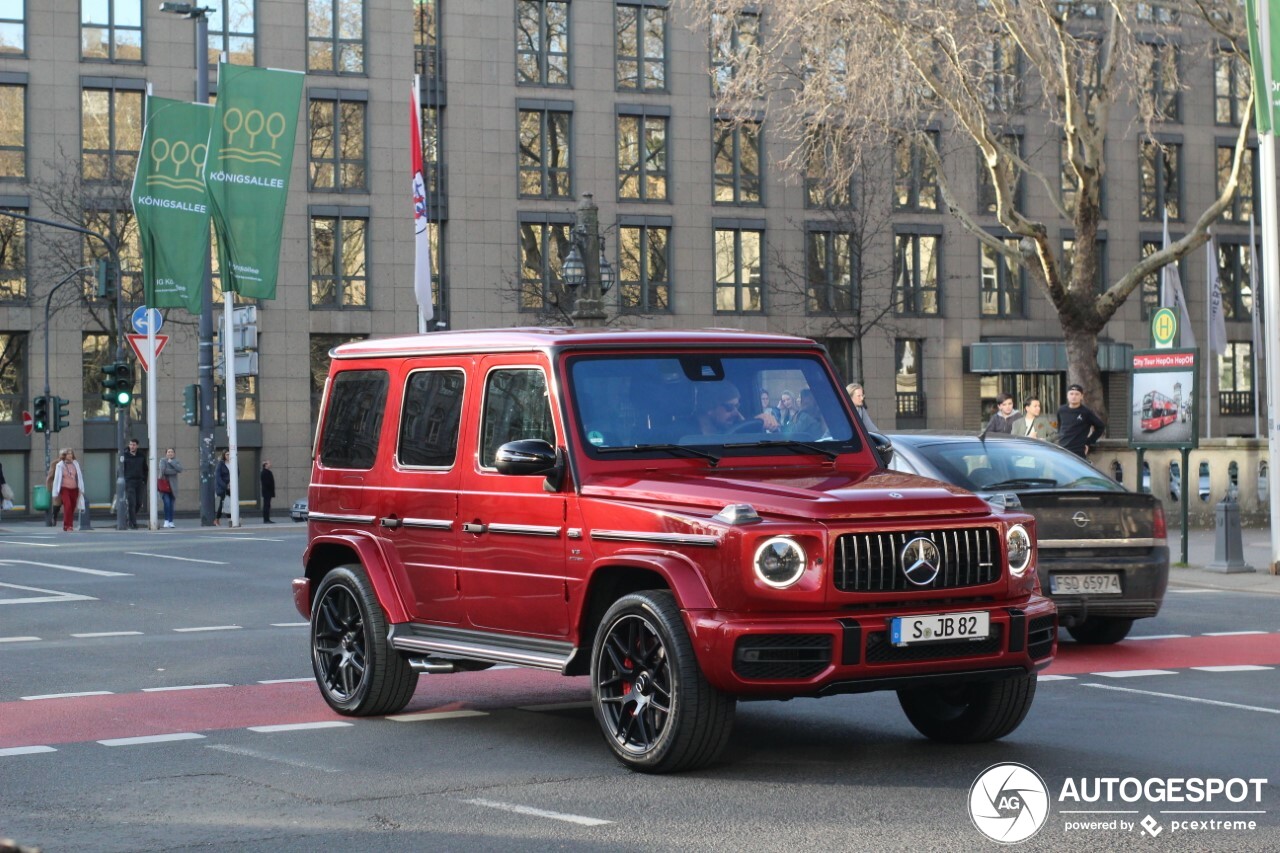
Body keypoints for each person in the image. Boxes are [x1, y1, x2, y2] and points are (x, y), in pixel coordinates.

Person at [1056, 383, 1106, 458]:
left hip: (1078, 451)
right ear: (1067, 395)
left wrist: (1089, 442)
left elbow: (1100, 426)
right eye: (1071, 394)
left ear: (1081, 396)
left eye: (1077, 394)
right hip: (1062, 449)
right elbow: (1060, 426)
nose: (1074, 396)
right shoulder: (1061, 410)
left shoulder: (1086, 412)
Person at [52, 448, 86, 532]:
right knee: (68, 506)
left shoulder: (76, 464)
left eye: (71, 453)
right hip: (64, 489)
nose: (70, 455)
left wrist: (81, 488)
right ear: (64, 456)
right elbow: (56, 479)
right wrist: (55, 493)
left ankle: (68, 525)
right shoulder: (60, 465)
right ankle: (68, 525)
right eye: (68, 454)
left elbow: (79, 477)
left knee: (73, 507)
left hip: (74, 489)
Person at [122, 438, 146, 529]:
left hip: (139, 481)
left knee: (139, 503)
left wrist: (144, 480)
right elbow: (120, 470)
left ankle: (130, 517)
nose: (132, 446)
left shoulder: (141, 455)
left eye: (134, 445)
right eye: (131, 444)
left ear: (137, 446)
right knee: (132, 502)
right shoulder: (124, 455)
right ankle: (133, 523)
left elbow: (145, 469)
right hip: (129, 482)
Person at [159, 448, 183, 528]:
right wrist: (173, 471)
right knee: (167, 503)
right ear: (166, 453)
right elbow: (163, 471)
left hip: (173, 487)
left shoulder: (176, 461)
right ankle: (166, 520)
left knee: (172, 505)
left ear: (174, 453)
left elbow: (179, 470)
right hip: (164, 485)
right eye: (168, 452)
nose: (170, 453)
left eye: (172, 452)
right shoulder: (162, 460)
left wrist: (171, 463)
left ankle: (171, 521)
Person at [214, 450, 231, 525]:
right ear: (224, 455)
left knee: (229, 503)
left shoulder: (233, 463)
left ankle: (230, 518)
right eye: (227, 454)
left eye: (230, 454)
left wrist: (233, 483)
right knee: (222, 503)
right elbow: (218, 477)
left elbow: (237, 472)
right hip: (222, 487)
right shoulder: (220, 464)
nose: (228, 456)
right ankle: (217, 519)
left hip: (231, 486)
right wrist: (225, 485)